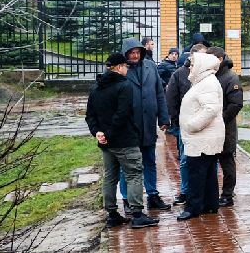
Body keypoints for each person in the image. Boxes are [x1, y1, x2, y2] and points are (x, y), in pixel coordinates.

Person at [85, 53, 158, 229]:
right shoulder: (124, 86)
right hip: (125, 140)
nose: (127, 69)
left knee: (110, 177)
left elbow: (90, 116)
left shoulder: (96, 87)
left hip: (105, 143)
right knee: (134, 174)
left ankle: (112, 214)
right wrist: (109, 134)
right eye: (125, 66)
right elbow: (122, 114)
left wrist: (98, 133)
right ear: (118, 67)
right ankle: (137, 214)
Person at [120, 38, 172, 212]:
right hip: (129, 126)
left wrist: (163, 118)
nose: (135, 56)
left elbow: (159, 93)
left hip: (148, 124)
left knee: (150, 161)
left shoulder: (150, 67)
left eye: (137, 52)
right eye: (131, 53)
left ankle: (153, 195)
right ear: (125, 54)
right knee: (128, 165)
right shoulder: (121, 70)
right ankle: (127, 200)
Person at [177, 51, 225, 220]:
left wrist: (192, 125)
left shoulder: (207, 83)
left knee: (196, 173)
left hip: (202, 137)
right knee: (208, 172)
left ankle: (193, 207)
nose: (190, 67)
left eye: (192, 64)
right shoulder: (204, 81)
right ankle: (210, 204)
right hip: (203, 137)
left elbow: (210, 109)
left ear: (201, 65)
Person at [165, 39, 209, 207]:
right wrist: (177, 120)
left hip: (206, 125)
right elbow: (172, 99)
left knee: (208, 159)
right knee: (185, 159)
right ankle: (185, 191)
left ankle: (205, 191)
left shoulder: (210, 74)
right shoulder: (180, 74)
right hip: (186, 125)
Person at [211, 48, 245, 207]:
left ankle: (227, 194)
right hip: (210, 127)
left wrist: (220, 119)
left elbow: (236, 104)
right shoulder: (210, 75)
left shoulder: (231, 78)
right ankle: (211, 193)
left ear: (219, 58)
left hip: (226, 127)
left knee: (227, 161)